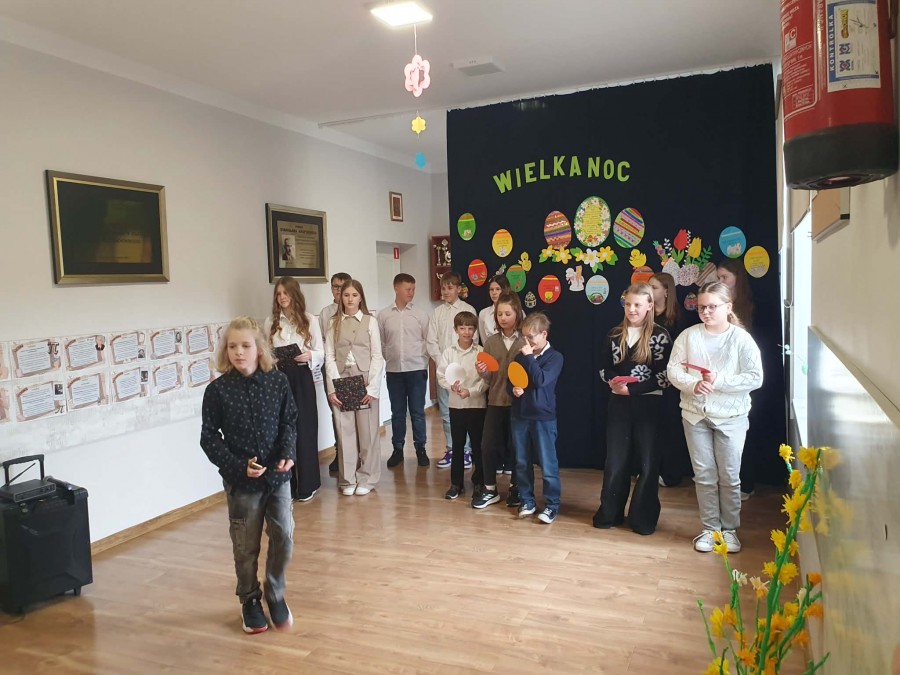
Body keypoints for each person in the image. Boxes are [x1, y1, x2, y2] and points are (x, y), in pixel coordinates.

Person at [199, 316, 297, 634]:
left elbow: (289, 421)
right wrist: (237, 466)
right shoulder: (217, 391)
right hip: (242, 483)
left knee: (284, 536)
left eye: (245, 346)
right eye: (232, 346)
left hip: (277, 478)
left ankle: (275, 592)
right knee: (245, 546)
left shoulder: (277, 382)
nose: (239, 352)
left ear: (259, 348)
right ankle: (249, 600)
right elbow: (209, 438)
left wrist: (288, 453)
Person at [666, 282, 763, 554]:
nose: (706, 312)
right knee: (704, 475)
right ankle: (710, 529)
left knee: (729, 476)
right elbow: (673, 370)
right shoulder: (688, 336)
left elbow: (755, 377)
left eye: (712, 307)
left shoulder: (741, 339)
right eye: (701, 308)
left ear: (728, 307)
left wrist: (718, 380)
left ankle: (729, 529)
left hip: (731, 417)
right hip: (695, 415)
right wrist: (693, 384)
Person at [593, 283, 672, 535]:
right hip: (619, 403)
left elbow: (666, 376)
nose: (632, 309)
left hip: (649, 404)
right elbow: (604, 367)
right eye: (628, 304)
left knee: (648, 463)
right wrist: (613, 382)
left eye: (638, 304)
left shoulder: (660, 336)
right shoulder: (614, 334)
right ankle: (610, 513)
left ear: (649, 305)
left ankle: (643, 518)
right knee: (616, 461)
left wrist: (634, 390)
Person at [265, 276, 324, 503]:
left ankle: (308, 484)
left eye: (286, 293)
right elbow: (265, 351)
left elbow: (320, 351)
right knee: (282, 430)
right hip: (280, 377)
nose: (282, 297)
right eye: (278, 294)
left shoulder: (309, 319)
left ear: (294, 294)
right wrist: (272, 360)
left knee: (305, 428)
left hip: (302, 375)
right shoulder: (270, 322)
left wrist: (309, 356)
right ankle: (286, 484)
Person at [324, 279, 385, 496]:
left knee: (367, 432)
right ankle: (347, 478)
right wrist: (332, 387)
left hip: (365, 379)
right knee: (345, 431)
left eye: (354, 295)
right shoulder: (333, 322)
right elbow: (329, 356)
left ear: (361, 298)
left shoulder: (370, 321)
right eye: (346, 295)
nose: (350, 299)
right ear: (340, 297)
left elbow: (377, 356)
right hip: (342, 378)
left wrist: (373, 388)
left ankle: (367, 477)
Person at [508, 312, 563, 524]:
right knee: (522, 462)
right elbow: (510, 381)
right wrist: (514, 390)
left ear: (544, 334)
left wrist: (530, 357)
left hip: (543, 418)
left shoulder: (555, 357)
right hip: (520, 415)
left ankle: (552, 505)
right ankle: (527, 501)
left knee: (548, 465)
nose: (527, 341)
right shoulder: (521, 357)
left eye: (531, 337)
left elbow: (540, 380)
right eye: (524, 337)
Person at [472, 292, 525, 509]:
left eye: (507, 313)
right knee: (487, 445)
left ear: (517, 314)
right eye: (499, 314)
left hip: (519, 404)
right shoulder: (491, 342)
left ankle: (516, 487)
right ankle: (490, 488)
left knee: (517, 446)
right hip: (495, 401)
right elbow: (488, 377)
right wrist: (482, 371)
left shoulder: (525, 341)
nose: (503, 318)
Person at [377, 273, 430, 468]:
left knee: (417, 412)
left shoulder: (420, 315)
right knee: (397, 412)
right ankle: (397, 449)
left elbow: (428, 340)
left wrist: (421, 359)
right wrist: (391, 358)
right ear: (396, 288)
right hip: (394, 371)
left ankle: (421, 449)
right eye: (408, 289)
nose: (411, 293)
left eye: (413, 289)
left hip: (416, 370)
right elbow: (381, 343)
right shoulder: (384, 315)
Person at [426, 271, 478, 470]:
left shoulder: (468, 309)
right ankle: (451, 449)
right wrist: (444, 364)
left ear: (458, 289)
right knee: (447, 412)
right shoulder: (437, 313)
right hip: (444, 371)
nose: (446, 291)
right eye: (443, 288)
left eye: (450, 287)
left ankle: (466, 451)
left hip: (465, 371)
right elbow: (431, 342)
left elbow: (474, 340)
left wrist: (461, 365)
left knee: (465, 411)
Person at [716, 259, 757, 500]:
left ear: (738, 279)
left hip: (742, 380)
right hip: (721, 380)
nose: (721, 282)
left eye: (725, 278)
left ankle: (745, 483)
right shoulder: (718, 307)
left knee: (743, 435)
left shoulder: (749, 307)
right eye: (718, 278)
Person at [649, 272, 693, 488]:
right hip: (647, 378)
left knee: (670, 427)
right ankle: (649, 470)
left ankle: (670, 474)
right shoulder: (646, 315)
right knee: (649, 426)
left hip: (670, 380)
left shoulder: (677, 319)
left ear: (666, 291)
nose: (650, 291)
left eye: (654, 287)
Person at [437, 311, 487, 499]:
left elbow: (486, 380)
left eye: (470, 328)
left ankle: (479, 482)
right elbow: (441, 375)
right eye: (462, 328)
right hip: (456, 405)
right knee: (457, 445)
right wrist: (450, 385)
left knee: (477, 445)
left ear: (475, 330)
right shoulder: (449, 352)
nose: (466, 332)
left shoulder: (481, 352)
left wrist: (470, 391)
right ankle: (456, 484)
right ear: (455, 329)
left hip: (476, 405)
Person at [319, 272, 352, 474]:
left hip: (352, 368)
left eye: (342, 286)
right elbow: (323, 342)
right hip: (332, 368)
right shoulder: (326, 313)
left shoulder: (355, 310)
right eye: (335, 286)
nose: (338, 290)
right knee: (337, 412)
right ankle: (340, 452)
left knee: (354, 412)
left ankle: (355, 454)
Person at [477, 274, 512, 343]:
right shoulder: (483, 313)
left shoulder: (516, 311)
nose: (494, 293)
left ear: (505, 290)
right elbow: (484, 341)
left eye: (498, 289)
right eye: (491, 289)